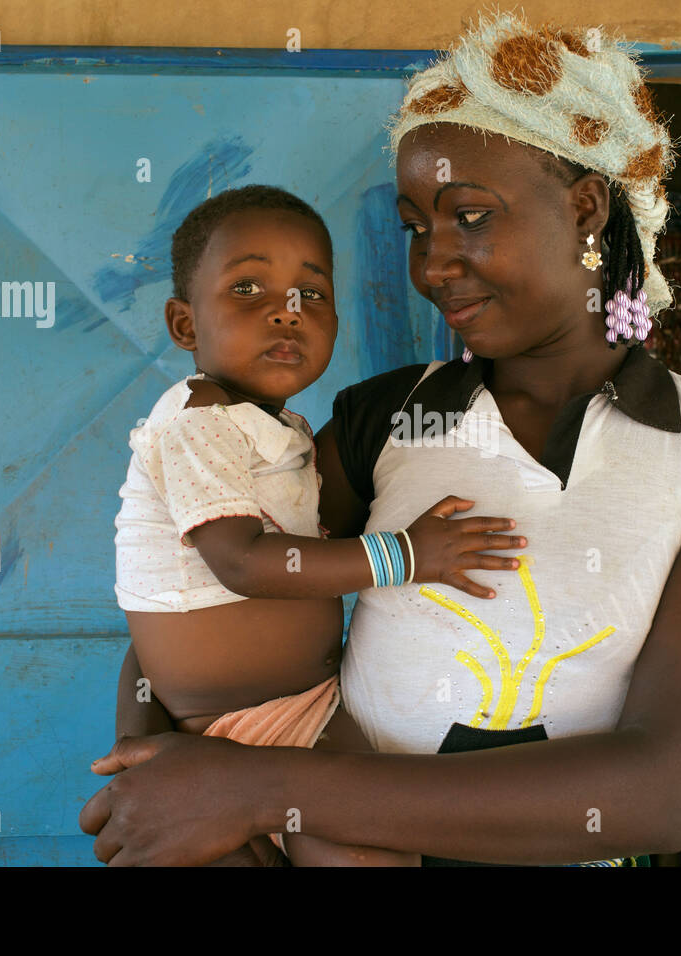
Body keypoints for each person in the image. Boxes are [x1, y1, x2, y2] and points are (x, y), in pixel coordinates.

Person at [82, 12, 681, 867]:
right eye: (418, 227)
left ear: (583, 208)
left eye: (469, 216)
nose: (431, 265)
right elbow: (198, 583)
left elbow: (661, 792)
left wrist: (251, 790)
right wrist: (155, 766)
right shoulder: (383, 418)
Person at [112, 184, 525, 865]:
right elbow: (241, 563)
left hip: (309, 714)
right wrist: (406, 557)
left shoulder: (285, 432)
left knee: (378, 847)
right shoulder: (197, 420)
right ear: (185, 326)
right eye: (249, 289)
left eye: (314, 294)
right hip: (218, 732)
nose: (287, 313)